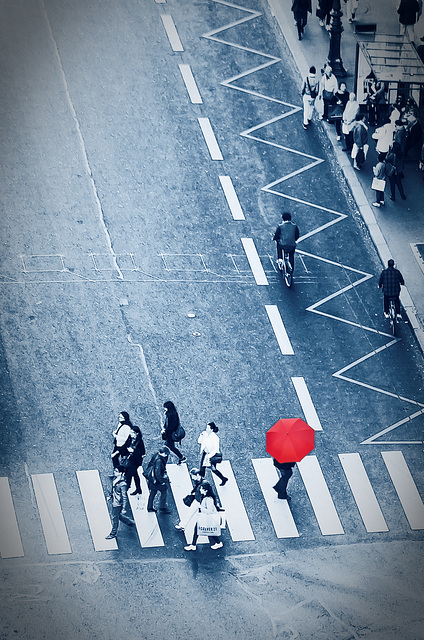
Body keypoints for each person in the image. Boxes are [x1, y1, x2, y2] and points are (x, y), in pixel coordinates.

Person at [175, 468, 224, 532]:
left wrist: (215, 504)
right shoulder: (198, 481)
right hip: (197, 500)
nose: (192, 478)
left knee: (208, 516)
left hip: (204, 503)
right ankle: (182, 526)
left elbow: (212, 493)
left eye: (193, 476)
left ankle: (217, 525)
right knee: (190, 513)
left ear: (197, 475)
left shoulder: (205, 483)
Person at [184, 483, 223, 551]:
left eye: (201, 488)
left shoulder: (209, 499)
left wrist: (200, 507)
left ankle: (218, 543)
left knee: (209, 532)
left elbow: (209, 511)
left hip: (209, 518)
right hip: (205, 517)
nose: (200, 490)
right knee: (198, 530)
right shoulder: (205, 497)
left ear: (206, 490)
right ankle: (193, 545)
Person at [105, 465, 135, 539]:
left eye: (116, 471)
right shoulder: (115, 479)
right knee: (118, 515)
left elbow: (124, 497)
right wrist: (111, 496)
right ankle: (129, 522)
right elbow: (114, 491)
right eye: (114, 470)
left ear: (121, 473)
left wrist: (124, 508)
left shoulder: (123, 484)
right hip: (114, 501)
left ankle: (113, 533)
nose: (114, 472)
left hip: (118, 503)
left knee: (115, 518)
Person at [146, 446, 171, 513]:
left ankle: (149, 507)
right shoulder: (159, 461)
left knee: (153, 493)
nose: (166, 456)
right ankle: (162, 507)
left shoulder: (156, 455)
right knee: (164, 491)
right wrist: (162, 481)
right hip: (157, 481)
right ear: (164, 453)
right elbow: (158, 473)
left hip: (153, 480)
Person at [161, 400, 187, 465]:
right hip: (169, 434)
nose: (164, 409)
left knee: (168, 447)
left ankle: (181, 457)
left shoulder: (173, 415)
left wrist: (166, 430)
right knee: (167, 447)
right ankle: (181, 457)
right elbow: (166, 424)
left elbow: (173, 426)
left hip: (170, 434)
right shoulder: (169, 414)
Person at [125, 425, 146, 495]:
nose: (130, 434)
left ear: (136, 433)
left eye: (132, 432)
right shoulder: (130, 439)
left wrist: (133, 451)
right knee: (135, 474)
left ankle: (126, 488)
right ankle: (138, 489)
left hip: (136, 461)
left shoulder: (139, 441)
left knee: (129, 474)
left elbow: (142, 452)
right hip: (131, 459)